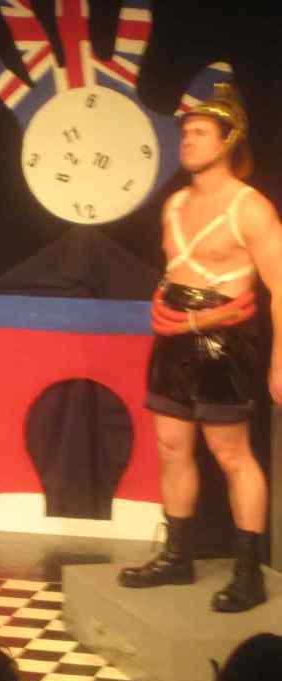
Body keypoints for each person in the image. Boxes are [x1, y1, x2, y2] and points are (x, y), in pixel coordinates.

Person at [119, 83, 282, 612]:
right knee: (171, 446)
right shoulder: (175, 204)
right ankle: (177, 557)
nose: (186, 141)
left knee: (232, 454)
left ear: (227, 140)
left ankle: (247, 573)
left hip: (223, 345)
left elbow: (280, 287)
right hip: (172, 341)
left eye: (199, 133)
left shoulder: (249, 208)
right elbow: (173, 274)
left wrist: (281, 360)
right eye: (185, 132)